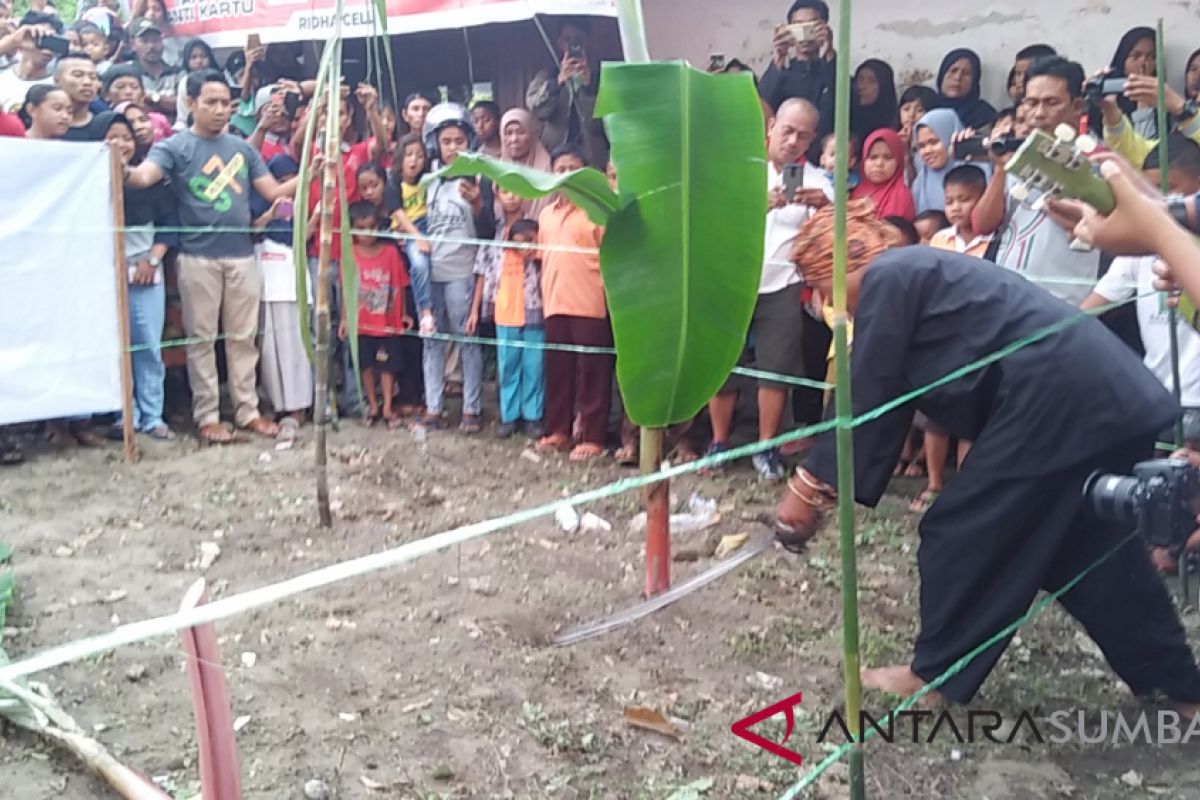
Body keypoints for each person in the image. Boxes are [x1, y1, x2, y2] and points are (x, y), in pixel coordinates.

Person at [775, 241, 1200, 715]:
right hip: (1100, 397)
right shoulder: (918, 271)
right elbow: (888, 390)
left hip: (1056, 403)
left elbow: (869, 386)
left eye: (822, 288)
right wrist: (828, 480)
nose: (832, 306)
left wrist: (809, 486)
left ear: (840, 265)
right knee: (1089, 557)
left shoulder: (890, 276)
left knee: (963, 532)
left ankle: (933, 675)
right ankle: (1180, 687)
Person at [126, 70, 298, 443]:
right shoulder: (173, 147)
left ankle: (247, 411)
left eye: (226, 104)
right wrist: (118, 162)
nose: (220, 111)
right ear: (191, 104)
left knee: (243, 338)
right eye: (211, 102)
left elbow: (273, 192)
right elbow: (142, 178)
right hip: (197, 258)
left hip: (241, 256)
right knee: (201, 340)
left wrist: (315, 170)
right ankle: (207, 416)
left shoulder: (242, 149)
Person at [706, 98, 833, 481]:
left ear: (811, 139)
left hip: (783, 285)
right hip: (732, 280)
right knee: (722, 366)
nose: (793, 141)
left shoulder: (815, 180)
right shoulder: (738, 169)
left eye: (803, 136)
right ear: (771, 125)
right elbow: (712, 220)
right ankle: (720, 442)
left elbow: (831, 235)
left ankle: (766, 447)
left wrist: (825, 207)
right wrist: (755, 206)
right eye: (787, 130)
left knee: (776, 370)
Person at [1081, 135, 1200, 456]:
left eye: (1174, 186)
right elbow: (1167, 212)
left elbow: (1162, 218)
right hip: (1157, 392)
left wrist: (1159, 235)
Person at [973, 56, 1104, 307]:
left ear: (1077, 106)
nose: (1038, 114)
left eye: (1051, 103)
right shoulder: (1018, 154)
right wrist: (1001, 169)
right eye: (1031, 103)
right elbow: (983, 224)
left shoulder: (1096, 158)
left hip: (1062, 304)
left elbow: (1098, 228)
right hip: (1007, 298)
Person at [419, 103, 494, 432]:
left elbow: (490, 232)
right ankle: (433, 407)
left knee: (467, 340)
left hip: (462, 271)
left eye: (459, 141)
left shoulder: (479, 177)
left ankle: (471, 409)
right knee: (432, 341)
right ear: (434, 143)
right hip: (430, 272)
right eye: (446, 141)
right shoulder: (426, 178)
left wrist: (479, 203)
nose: (452, 148)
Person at [535, 144, 613, 461]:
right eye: (560, 169)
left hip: (591, 301)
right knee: (558, 370)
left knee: (593, 371)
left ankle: (593, 437)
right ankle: (559, 431)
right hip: (554, 302)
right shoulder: (545, 214)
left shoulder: (597, 210)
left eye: (572, 168)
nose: (566, 175)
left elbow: (611, 257)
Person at [105, 110, 178, 441]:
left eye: (126, 137)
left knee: (147, 344)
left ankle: (152, 415)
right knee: (113, 347)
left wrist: (151, 260)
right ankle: (124, 414)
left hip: (147, 270)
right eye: (113, 136)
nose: (120, 143)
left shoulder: (152, 181)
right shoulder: (87, 184)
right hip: (105, 274)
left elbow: (168, 227)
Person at [250, 154, 312, 435]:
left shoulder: (300, 206)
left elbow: (301, 238)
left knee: (296, 347)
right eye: (281, 182)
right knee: (269, 350)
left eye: (292, 181)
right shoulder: (259, 204)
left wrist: (318, 216)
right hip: (266, 284)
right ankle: (275, 404)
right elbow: (252, 231)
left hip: (292, 282)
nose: (288, 187)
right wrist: (270, 214)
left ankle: (298, 407)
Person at [470, 209, 544, 439]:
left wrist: (537, 254)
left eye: (529, 242)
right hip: (505, 316)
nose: (523, 247)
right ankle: (509, 416)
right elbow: (484, 277)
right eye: (518, 243)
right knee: (508, 367)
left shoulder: (541, 257)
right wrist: (478, 310)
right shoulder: (498, 250)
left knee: (534, 367)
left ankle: (533, 417)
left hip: (535, 315)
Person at [339, 202, 413, 429]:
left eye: (372, 227)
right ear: (352, 230)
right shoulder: (349, 255)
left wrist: (403, 314)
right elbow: (346, 289)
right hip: (361, 323)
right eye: (361, 228)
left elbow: (399, 284)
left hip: (386, 322)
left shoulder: (391, 253)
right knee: (366, 366)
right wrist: (344, 318)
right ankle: (372, 405)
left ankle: (388, 406)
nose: (368, 234)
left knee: (387, 366)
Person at [525, 16, 608, 167]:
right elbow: (536, 110)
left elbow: (602, 122)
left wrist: (589, 88)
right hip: (555, 159)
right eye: (567, 39)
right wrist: (556, 83)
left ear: (588, 42)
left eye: (578, 39)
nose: (573, 44)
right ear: (559, 43)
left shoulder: (602, 77)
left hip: (593, 159)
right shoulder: (547, 75)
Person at [759, 0, 836, 160]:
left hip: (824, 163)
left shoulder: (832, 72)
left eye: (812, 26)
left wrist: (828, 52)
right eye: (798, 26)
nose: (805, 35)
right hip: (783, 160)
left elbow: (847, 105)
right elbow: (761, 107)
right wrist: (779, 58)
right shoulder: (782, 73)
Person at [389, 132, 434, 335]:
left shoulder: (427, 180)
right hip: (410, 228)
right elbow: (400, 215)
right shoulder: (394, 185)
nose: (414, 160)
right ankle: (425, 312)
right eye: (409, 154)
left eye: (419, 155)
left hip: (431, 224)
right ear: (400, 157)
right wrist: (417, 237)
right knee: (419, 264)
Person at [912, 108, 990, 214]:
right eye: (921, 146)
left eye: (934, 142)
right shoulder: (920, 184)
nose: (927, 151)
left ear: (950, 137)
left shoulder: (979, 169)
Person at [1089, 26, 1158, 140]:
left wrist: (1144, 101)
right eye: (1136, 56)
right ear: (1123, 58)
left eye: (1152, 57)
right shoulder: (1105, 92)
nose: (1144, 63)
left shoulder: (1162, 98)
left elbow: (1148, 149)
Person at [499, 107, 555, 220]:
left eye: (520, 132)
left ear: (532, 135)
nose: (514, 139)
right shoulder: (497, 168)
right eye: (508, 133)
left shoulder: (546, 172)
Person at [0, 12, 59, 113]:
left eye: (52, 41)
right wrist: (12, 42)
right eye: (42, 39)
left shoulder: (57, 86)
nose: (47, 49)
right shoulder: (3, 78)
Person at [851, 128, 914, 221]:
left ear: (899, 162)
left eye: (888, 157)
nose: (879, 163)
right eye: (873, 157)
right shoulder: (855, 191)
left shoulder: (900, 197)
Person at [930, 165, 992, 258]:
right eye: (949, 202)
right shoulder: (940, 239)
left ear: (983, 199)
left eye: (964, 200)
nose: (955, 208)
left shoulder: (994, 240)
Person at [102, 63, 172, 141]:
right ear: (106, 94)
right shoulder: (103, 124)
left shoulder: (159, 120)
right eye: (120, 87)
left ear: (143, 94)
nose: (128, 92)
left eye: (134, 87)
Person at [128, 18, 178, 119]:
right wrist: (166, 102)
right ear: (133, 45)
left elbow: (183, 104)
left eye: (156, 40)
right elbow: (133, 106)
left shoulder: (177, 72)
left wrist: (153, 99)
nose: (151, 46)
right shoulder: (128, 74)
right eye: (144, 41)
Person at [936, 48, 995, 130]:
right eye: (953, 71)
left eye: (966, 73)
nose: (958, 78)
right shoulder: (926, 108)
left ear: (974, 81)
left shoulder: (984, 115)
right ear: (942, 75)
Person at [54, 53, 105, 140]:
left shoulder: (105, 125)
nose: (87, 82)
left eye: (92, 77)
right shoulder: (43, 123)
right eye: (78, 75)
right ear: (57, 81)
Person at [172, 37, 217, 130]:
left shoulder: (218, 79)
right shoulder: (184, 82)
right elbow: (183, 115)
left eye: (203, 56)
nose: (199, 61)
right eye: (194, 57)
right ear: (187, 61)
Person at [850, 59, 897, 143]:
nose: (862, 87)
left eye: (871, 81)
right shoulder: (847, 117)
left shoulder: (893, 123)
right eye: (860, 79)